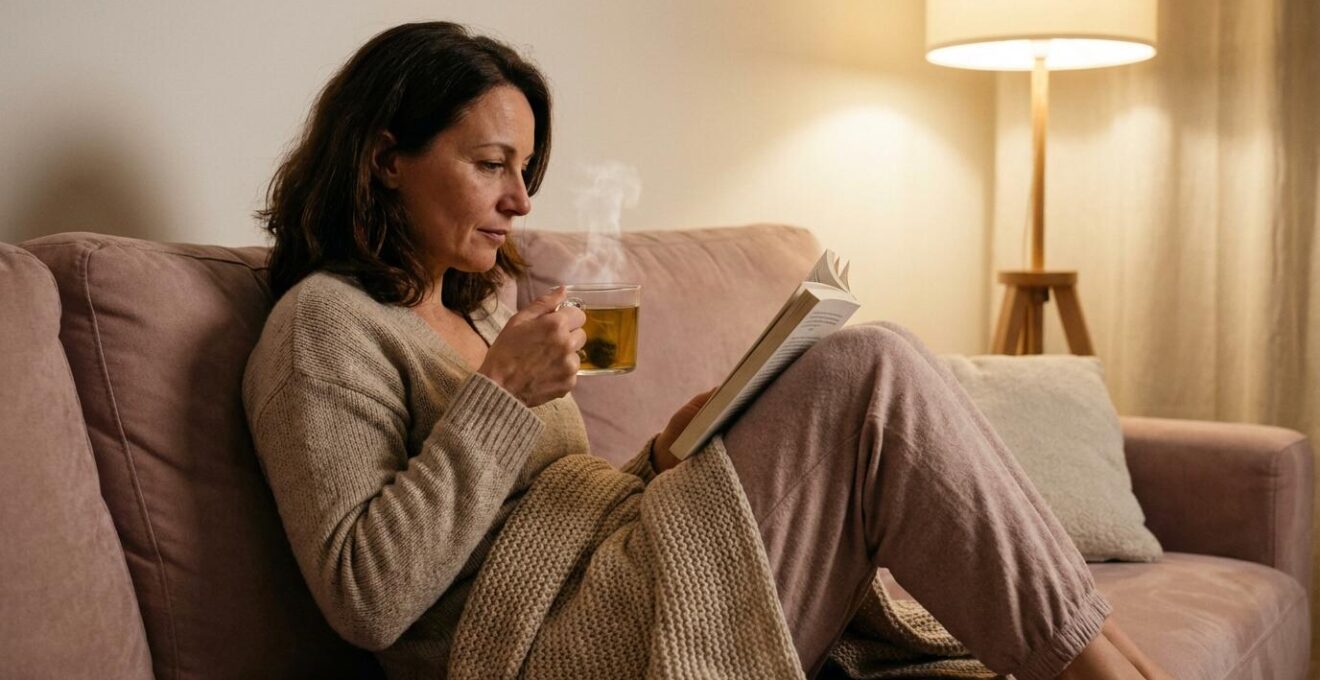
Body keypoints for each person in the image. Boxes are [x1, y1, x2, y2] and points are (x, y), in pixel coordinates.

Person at [242, 21, 1175, 680]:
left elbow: (545, 511)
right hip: (543, 648)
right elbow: (366, 597)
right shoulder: (322, 327)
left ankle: (1102, 662)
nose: (521, 200)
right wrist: (500, 396)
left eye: (525, 170)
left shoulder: (481, 312)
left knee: (874, 365)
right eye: (492, 165)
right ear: (386, 159)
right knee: (874, 367)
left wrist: (660, 456)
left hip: (610, 572)